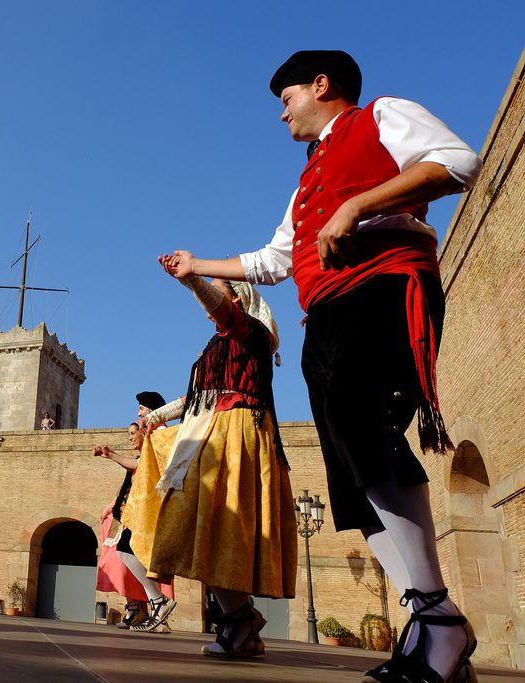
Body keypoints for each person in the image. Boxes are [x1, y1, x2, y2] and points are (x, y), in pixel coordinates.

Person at [162, 50, 481, 680]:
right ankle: (433, 621)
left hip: (384, 288)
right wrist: (198, 267)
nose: (281, 115)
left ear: (321, 85)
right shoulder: (306, 182)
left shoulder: (382, 115)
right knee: (348, 467)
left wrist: (358, 205)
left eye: (286, 100)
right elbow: (272, 261)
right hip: (327, 317)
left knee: (364, 429)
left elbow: (458, 163)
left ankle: (439, 621)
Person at [126, 275, 296, 658]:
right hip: (211, 433)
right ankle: (241, 621)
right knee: (196, 528)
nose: (213, 302)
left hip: (235, 435)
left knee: (213, 528)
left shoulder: (249, 332)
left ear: (238, 299)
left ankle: (239, 621)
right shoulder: (217, 344)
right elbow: (196, 396)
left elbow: (223, 315)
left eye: (221, 291)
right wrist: (158, 416)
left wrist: (191, 279)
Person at [94, 420, 175, 633]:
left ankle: (148, 607)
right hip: (121, 515)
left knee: (122, 558)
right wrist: (111, 506)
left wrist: (111, 455)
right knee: (114, 560)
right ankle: (135, 608)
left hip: (134, 516)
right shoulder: (141, 458)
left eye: (133, 432)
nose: (130, 437)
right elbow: (128, 487)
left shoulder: (152, 454)